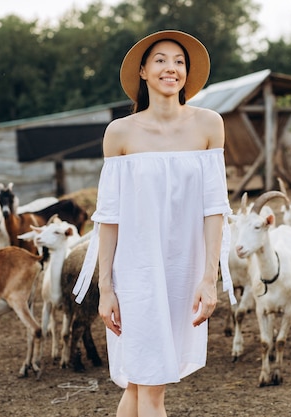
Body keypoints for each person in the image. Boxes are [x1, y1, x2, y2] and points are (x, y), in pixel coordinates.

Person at [73, 30, 235, 417]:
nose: (171, 68)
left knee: (139, 383)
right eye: (160, 60)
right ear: (143, 71)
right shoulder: (120, 133)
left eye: (179, 61)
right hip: (138, 273)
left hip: (184, 272)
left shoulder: (210, 125)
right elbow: (108, 217)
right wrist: (106, 287)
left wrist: (209, 278)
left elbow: (214, 209)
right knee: (152, 391)